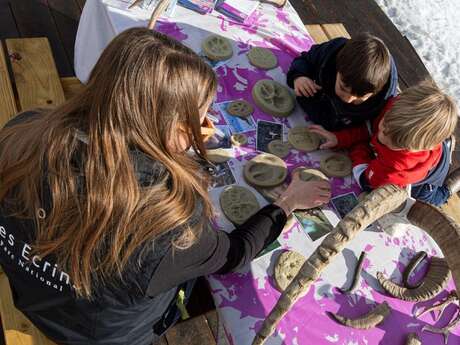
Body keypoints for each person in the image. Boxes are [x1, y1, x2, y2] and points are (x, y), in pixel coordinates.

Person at [0, 28, 330, 345]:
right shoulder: (171, 224)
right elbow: (234, 254)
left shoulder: (21, 132)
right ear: (166, 126)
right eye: (199, 118)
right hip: (104, 335)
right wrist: (286, 202)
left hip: (33, 296)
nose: (205, 127)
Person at [309, 81, 460, 206]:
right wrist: (340, 138)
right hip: (431, 148)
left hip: (423, 183)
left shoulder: (394, 169)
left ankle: (448, 189)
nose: (381, 131)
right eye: (385, 123)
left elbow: (366, 180)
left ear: (409, 147)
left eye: (390, 138)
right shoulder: (395, 110)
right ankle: (445, 144)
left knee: (427, 201)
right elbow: (369, 129)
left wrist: (358, 147)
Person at [287, 33, 398, 131]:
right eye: (343, 88)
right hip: (316, 100)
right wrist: (299, 76)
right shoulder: (331, 52)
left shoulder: (381, 102)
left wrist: (340, 138)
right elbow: (305, 59)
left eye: (359, 97)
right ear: (337, 68)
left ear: (374, 93)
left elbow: (364, 131)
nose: (348, 99)